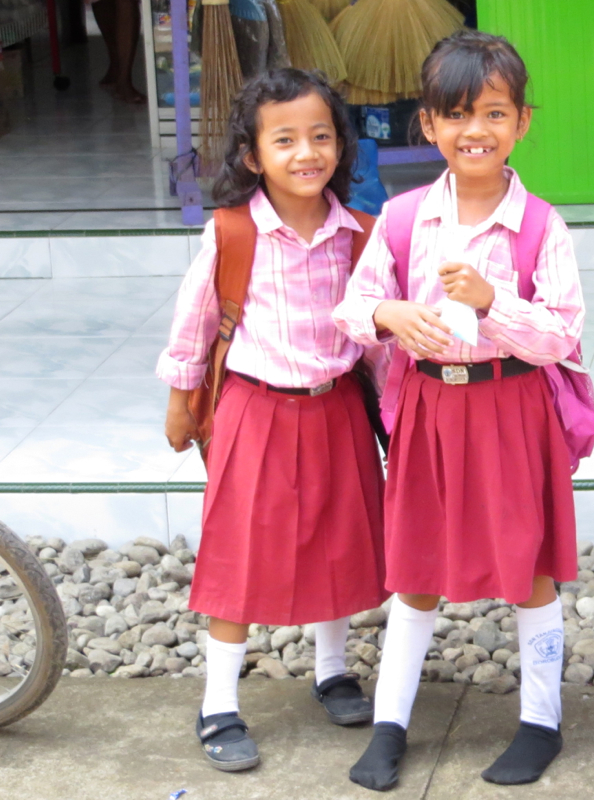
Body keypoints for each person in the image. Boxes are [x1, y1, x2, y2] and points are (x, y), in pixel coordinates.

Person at [333, 30, 585, 791]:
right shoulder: (404, 218)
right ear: (431, 125)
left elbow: (563, 335)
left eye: (494, 113)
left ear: (523, 122)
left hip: (514, 413)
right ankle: (389, 724)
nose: (476, 130)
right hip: (431, 414)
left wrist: (493, 301)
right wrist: (390, 316)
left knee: (529, 568)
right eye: (457, 114)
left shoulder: (542, 225)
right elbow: (351, 306)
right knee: (415, 569)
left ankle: (541, 723)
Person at [157, 68, 387, 773]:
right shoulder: (232, 233)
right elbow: (194, 322)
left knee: (343, 541)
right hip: (254, 411)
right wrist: (179, 398)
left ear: (341, 147)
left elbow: (376, 339)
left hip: (337, 407)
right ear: (253, 155)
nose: (306, 152)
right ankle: (219, 702)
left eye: (321, 135)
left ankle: (332, 670)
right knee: (238, 555)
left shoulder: (362, 235)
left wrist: (398, 416)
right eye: (284, 139)